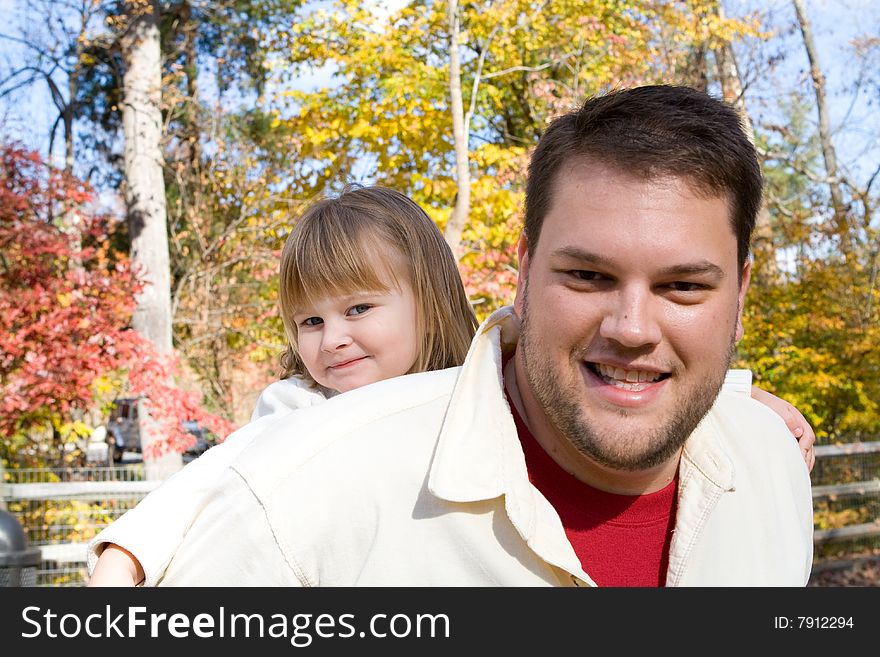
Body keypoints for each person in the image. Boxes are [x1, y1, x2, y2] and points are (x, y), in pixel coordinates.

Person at [90, 87, 816, 585]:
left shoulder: (771, 469)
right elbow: (229, 474)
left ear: (741, 292)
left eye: (683, 285)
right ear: (525, 272)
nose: (631, 327)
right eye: (589, 275)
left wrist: (745, 400)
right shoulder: (302, 468)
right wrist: (126, 552)